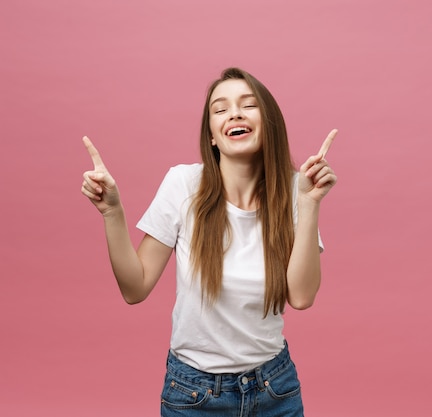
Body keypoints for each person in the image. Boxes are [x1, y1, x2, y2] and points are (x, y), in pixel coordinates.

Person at [81, 67, 337, 416]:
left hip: (275, 389)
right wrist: (113, 212)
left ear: (269, 123)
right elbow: (135, 288)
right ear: (213, 136)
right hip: (194, 395)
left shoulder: (296, 190)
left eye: (248, 105)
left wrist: (308, 205)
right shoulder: (184, 184)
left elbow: (302, 297)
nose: (234, 112)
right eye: (220, 109)